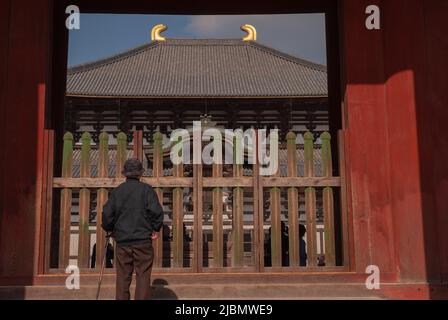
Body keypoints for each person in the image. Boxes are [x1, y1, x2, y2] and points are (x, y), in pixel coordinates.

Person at [102, 158, 163, 300]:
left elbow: (107, 214)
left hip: (123, 241)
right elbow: (156, 212)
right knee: (143, 276)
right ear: (140, 174)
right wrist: (155, 228)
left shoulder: (117, 192)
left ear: (125, 174)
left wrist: (109, 228)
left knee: (123, 277)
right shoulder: (147, 190)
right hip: (143, 240)